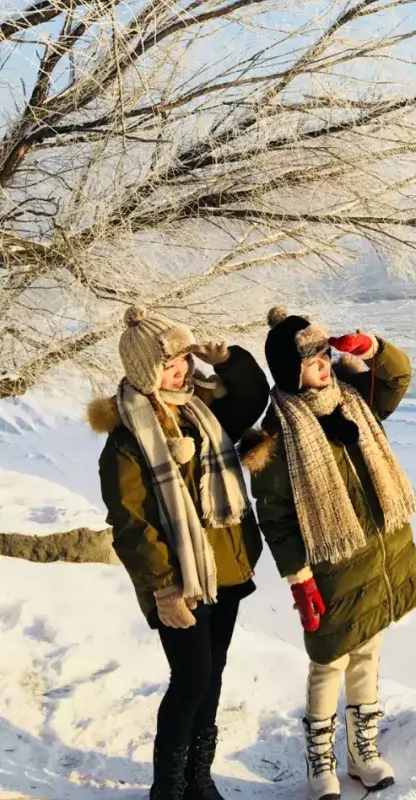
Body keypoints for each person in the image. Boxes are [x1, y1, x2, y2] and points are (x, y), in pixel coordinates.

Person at [243, 309, 416, 799]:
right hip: (330, 568)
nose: (323, 364)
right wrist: (298, 578)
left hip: (377, 555)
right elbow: (276, 516)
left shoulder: (354, 400)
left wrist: (370, 347)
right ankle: (319, 762)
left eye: (325, 354)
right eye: (311, 360)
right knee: (329, 663)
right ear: (288, 371)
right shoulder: (276, 435)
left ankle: (363, 753)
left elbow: (397, 376)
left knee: (368, 654)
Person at [88, 306, 268, 800]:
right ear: (146, 371)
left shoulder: (201, 409)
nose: (183, 371)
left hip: (225, 568)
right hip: (179, 581)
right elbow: (131, 524)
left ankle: (198, 778)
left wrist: (228, 361)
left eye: (184, 360)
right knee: (189, 680)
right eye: (170, 364)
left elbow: (253, 397)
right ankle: (167, 788)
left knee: (212, 677)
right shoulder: (127, 437)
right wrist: (164, 588)